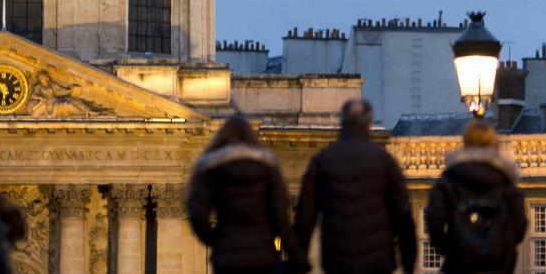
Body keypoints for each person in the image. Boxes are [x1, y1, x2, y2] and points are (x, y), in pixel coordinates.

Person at [295, 99, 417, 274]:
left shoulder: (322, 160)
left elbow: (304, 219)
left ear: (342, 122)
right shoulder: (385, 162)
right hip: (378, 263)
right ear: (369, 124)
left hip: (337, 261)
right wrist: (408, 265)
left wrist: (299, 261)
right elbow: (404, 219)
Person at [187, 116, 308, 274]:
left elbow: (197, 215)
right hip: (262, 255)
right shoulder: (268, 167)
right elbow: (281, 218)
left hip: (227, 258)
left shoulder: (211, 168)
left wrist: (218, 240)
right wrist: (297, 255)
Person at [423, 121, 527, 274]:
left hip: (459, 262)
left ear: (465, 141)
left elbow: (434, 219)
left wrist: (448, 248)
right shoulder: (505, 181)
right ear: (493, 143)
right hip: (497, 264)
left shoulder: (449, 179)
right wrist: (503, 246)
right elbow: (519, 225)